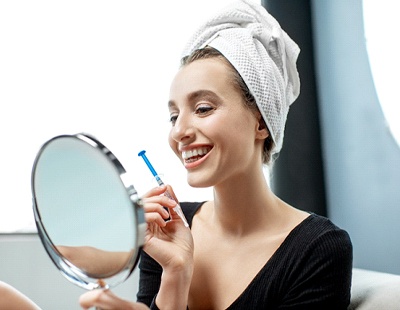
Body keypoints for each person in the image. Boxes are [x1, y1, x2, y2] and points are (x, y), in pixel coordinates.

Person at [79, 0, 353, 309]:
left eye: (203, 108)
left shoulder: (319, 249)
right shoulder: (167, 227)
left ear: (260, 121)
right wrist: (175, 272)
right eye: (173, 117)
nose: (179, 132)